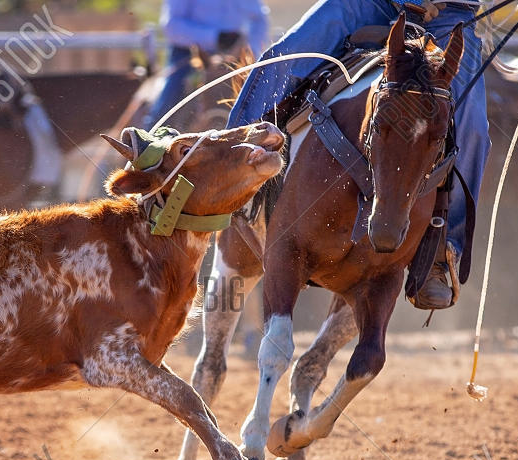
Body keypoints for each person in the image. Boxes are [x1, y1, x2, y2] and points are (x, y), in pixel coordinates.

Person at [226, 0, 487, 310]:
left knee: (473, 129)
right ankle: (227, 169)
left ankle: (441, 253)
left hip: (451, 14)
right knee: (283, 61)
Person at [143, 0, 272, 129]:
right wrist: (214, 37)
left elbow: (259, 19)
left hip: (235, 54)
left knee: (262, 94)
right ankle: (154, 133)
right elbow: (172, 25)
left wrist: (249, 50)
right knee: (171, 97)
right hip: (189, 52)